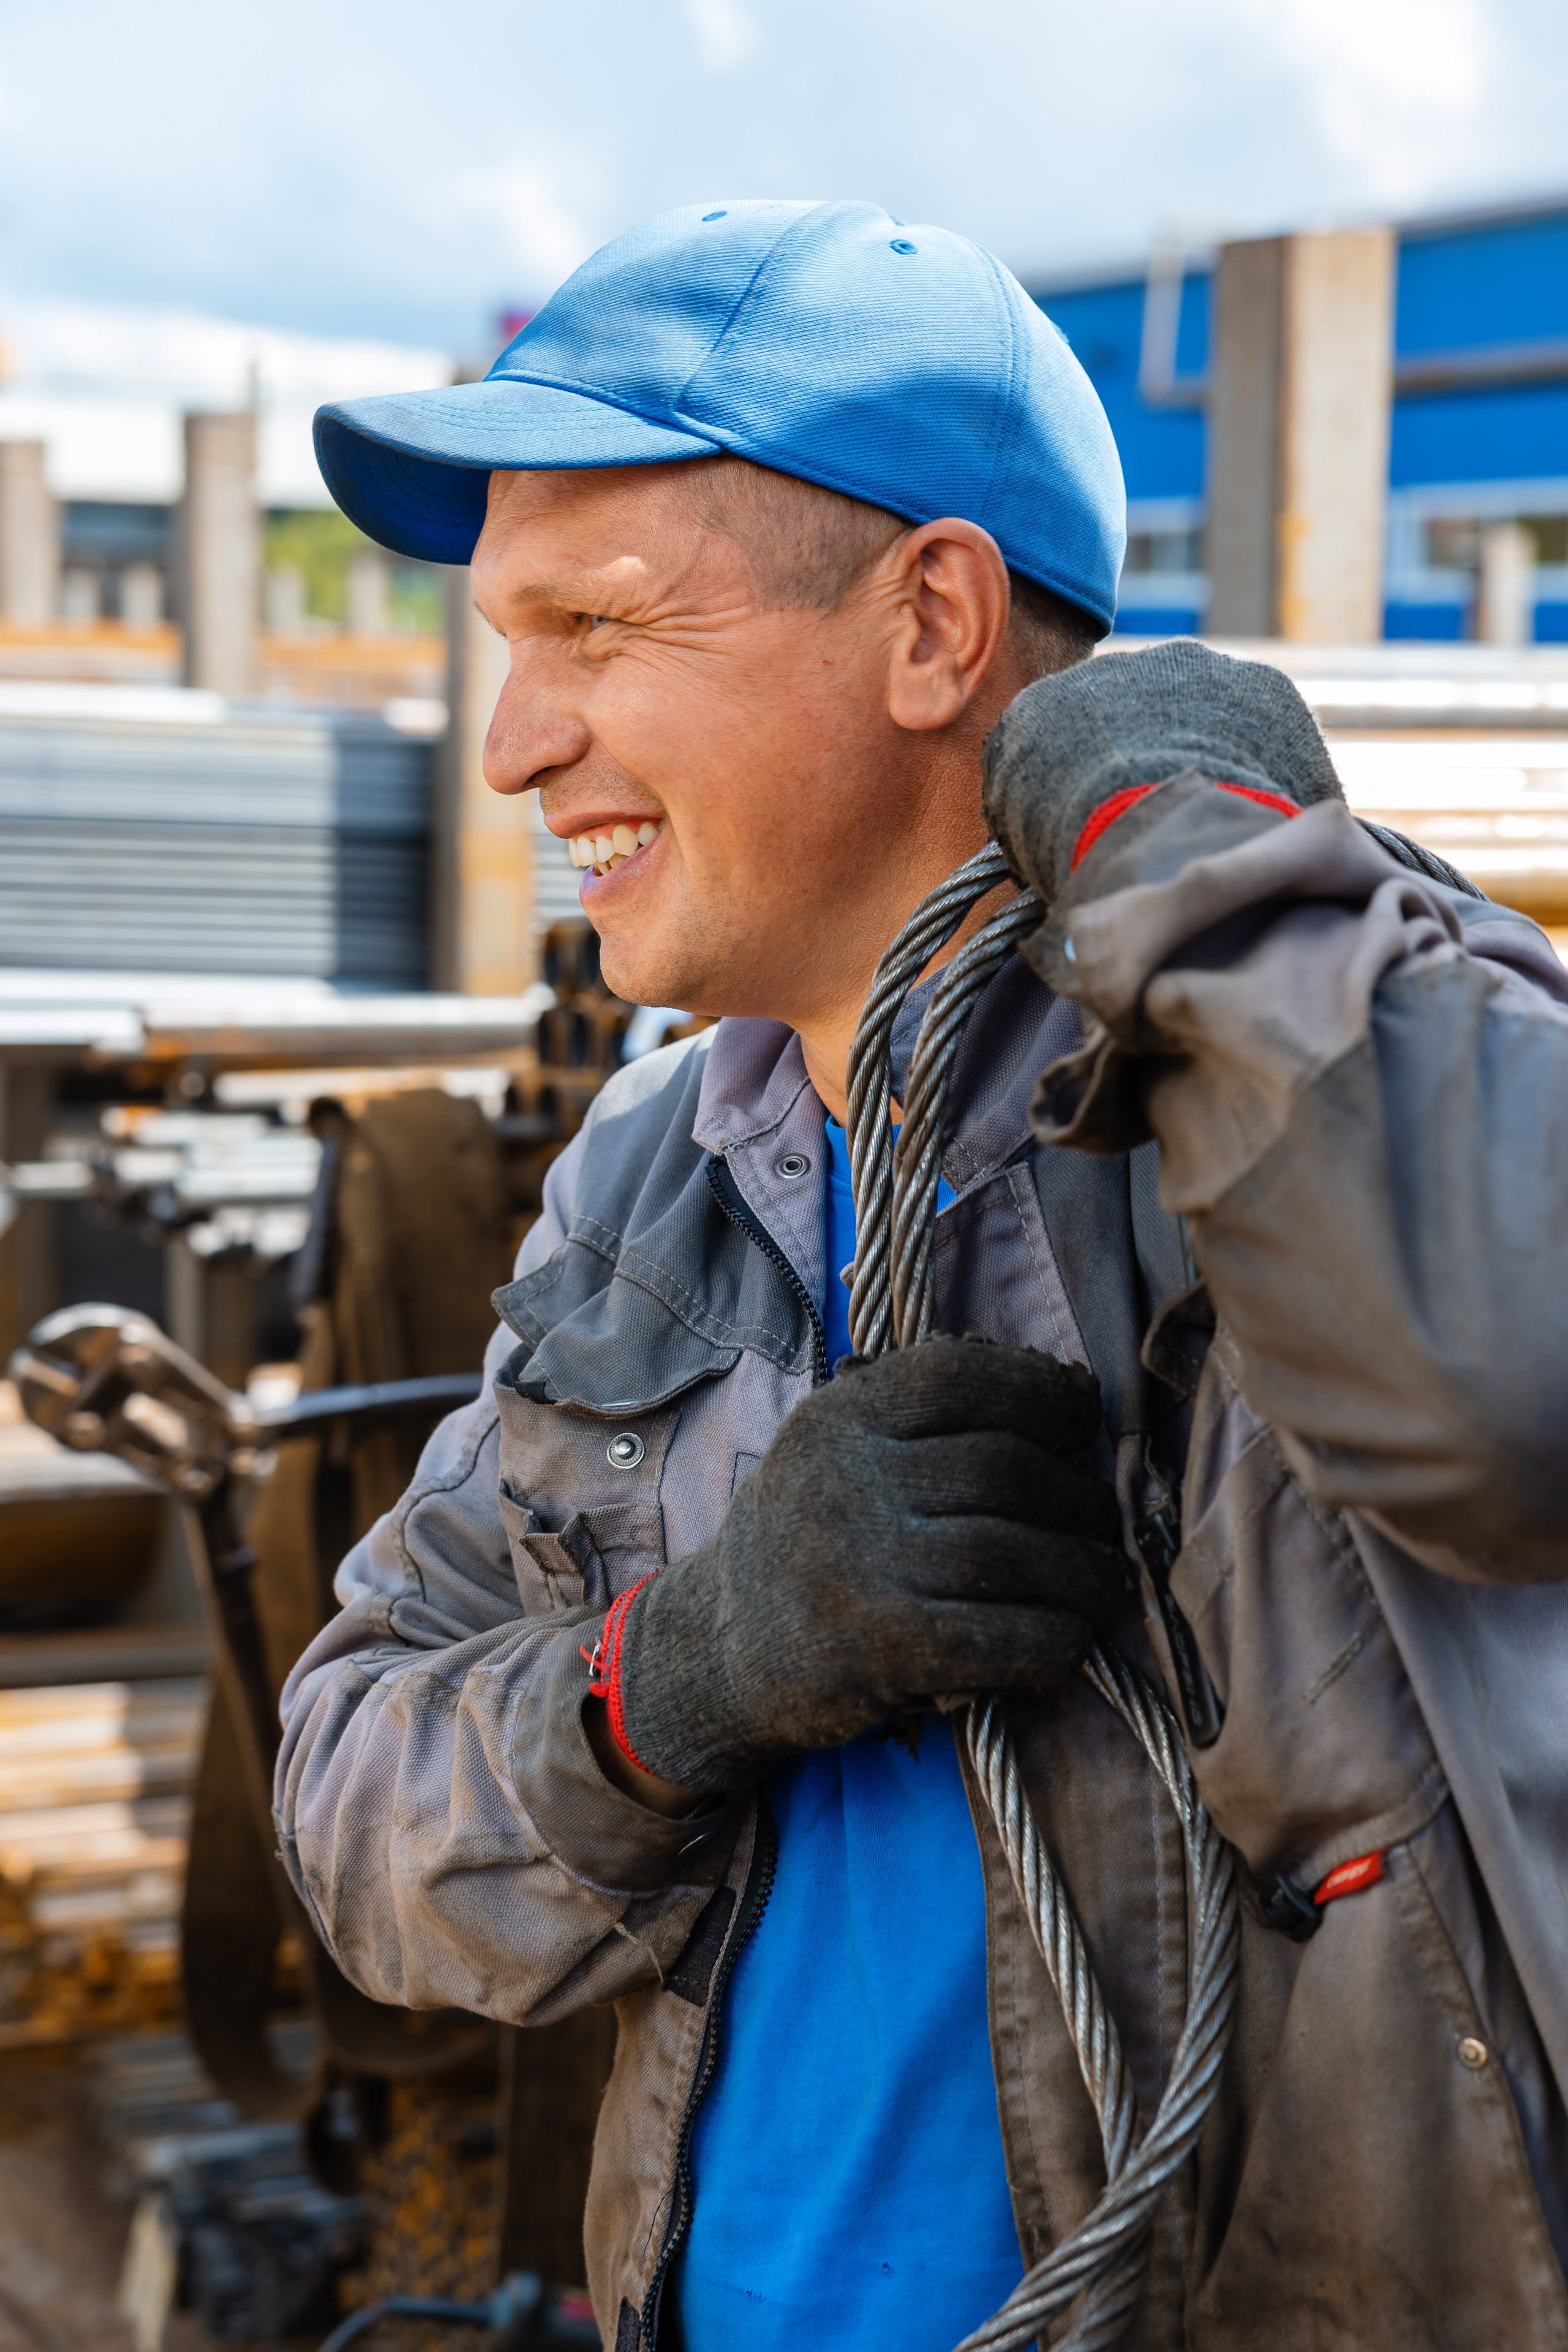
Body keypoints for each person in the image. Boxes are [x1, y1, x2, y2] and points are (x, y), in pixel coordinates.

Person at [279, 201, 1568, 2351]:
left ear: (934, 624)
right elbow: (354, 1803)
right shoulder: (653, 1180)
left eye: (596, 626)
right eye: (509, 641)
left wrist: (1199, 855)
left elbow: (1503, 1389)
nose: (513, 744)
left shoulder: (1296, 1098)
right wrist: (673, 1679)